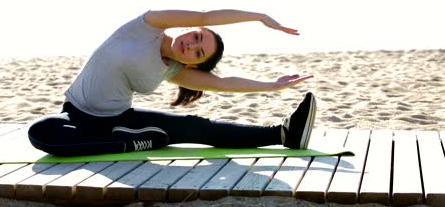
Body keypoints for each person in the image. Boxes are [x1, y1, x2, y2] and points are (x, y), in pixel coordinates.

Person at [28, 9, 316, 156]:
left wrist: (273, 85)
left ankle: (282, 134)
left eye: (198, 52)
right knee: (41, 131)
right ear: (190, 29)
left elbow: (225, 83)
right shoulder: (148, 25)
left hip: (117, 122)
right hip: (75, 116)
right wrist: (259, 17)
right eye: (196, 37)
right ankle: (130, 144)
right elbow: (206, 15)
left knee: (197, 126)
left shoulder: (175, 71)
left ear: (194, 63)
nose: (190, 46)